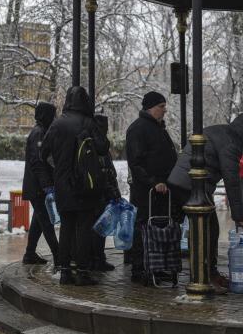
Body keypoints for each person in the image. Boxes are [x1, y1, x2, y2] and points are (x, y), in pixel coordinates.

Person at [167, 112, 243, 292]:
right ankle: (205, 275)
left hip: (184, 182)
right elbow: (232, 180)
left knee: (203, 229)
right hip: (192, 185)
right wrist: (238, 216)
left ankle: (204, 272)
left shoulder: (219, 131)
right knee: (208, 230)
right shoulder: (231, 143)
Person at [42, 86, 105, 286]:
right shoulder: (89, 122)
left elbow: (43, 152)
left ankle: (65, 272)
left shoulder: (57, 124)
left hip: (63, 185)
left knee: (67, 228)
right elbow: (103, 147)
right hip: (85, 183)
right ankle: (83, 272)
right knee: (84, 228)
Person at [125, 91, 179, 283]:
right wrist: (154, 182)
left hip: (162, 190)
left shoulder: (157, 128)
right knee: (142, 228)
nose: (165, 110)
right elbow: (136, 162)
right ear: (150, 107)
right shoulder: (139, 129)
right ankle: (140, 269)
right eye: (161, 106)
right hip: (147, 190)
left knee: (158, 228)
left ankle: (156, 266)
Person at [21, 102, 60, 265]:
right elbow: (37, 162)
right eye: (53, 114)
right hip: (38, 187)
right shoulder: (39, 133)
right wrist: (47, 186)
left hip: (38, 186)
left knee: (39, 220)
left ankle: (29, 254)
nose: (55, 118)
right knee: (46, 222)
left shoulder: (42, 131)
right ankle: (58, 255)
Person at [91, 113, 121, 272]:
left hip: (98, 191)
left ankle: (96, 258)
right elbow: (107, 171)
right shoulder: (100, 146)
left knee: (97, 227)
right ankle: (97, 258)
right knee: (99, 228)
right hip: (101, 192)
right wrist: (113, 190)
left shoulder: (95, 143)